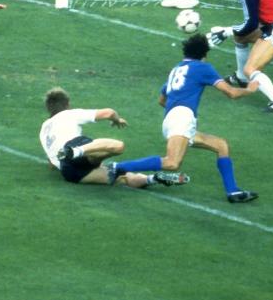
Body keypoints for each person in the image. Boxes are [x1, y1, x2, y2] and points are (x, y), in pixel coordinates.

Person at [109, 34, 259, 203]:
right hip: (182, 119)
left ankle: (233, 192)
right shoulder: (203, 67)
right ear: (205, 54)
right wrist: (250, 90)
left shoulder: (176, 69)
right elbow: (231, 92)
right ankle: (117, 167)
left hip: (173, 118)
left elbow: (162, 100)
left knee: (221, 145)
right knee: (172, 163)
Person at [40, 88, 189, 188]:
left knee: (118, 175)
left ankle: (153, 179)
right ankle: (76, 151)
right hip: (75, 147)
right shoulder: (68, 114)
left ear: (49, 108)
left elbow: (52, 162)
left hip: (69, 172)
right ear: (67, 104)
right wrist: (117, 120)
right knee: (118, 146)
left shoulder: (43, 129)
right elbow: (109, 113)